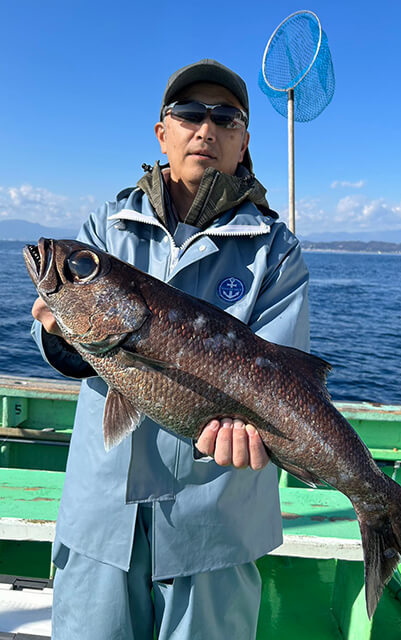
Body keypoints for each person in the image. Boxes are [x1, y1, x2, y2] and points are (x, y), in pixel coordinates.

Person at [32, 59, 310, 640]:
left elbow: (285, 381)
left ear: (243, 142)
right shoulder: (106, 225)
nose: (205, 128)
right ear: (163, 133)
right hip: (98, 517)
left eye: (225, 117)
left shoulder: (274, 250)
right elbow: (60, 335)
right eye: (188, 114)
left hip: (215, 526)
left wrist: (246, 435)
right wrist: (57, 332)